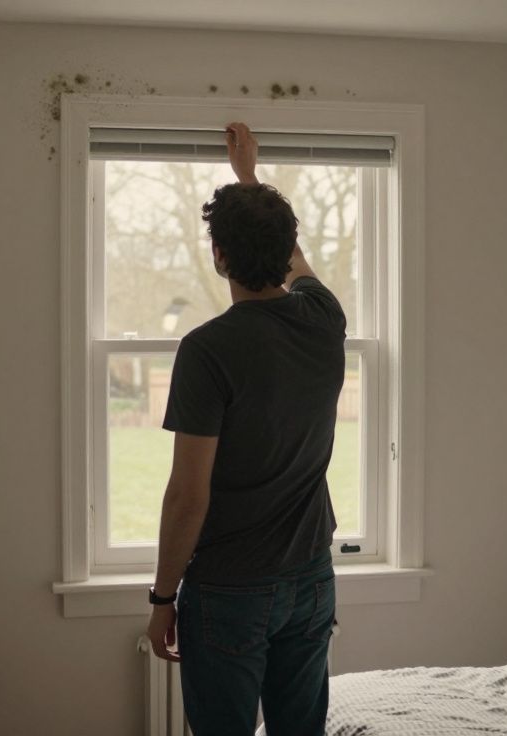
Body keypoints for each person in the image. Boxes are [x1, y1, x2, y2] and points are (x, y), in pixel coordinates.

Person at [145, 122, 346, 736]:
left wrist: (161, 600)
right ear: (287, 244)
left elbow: (188, 496)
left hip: (230, 590)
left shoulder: (208, 350)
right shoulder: (323, 317)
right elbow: (296, 261)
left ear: (219, 256)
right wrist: (250, 182)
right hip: (311, 576)